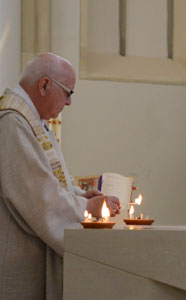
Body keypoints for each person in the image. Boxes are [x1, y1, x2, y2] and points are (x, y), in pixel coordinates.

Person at [0, 53, 121, 299]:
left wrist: (78, 195)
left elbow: (47, 181)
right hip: (17, 260)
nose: (68, 103)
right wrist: (87, 206)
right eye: (68, 93)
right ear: (44, 85)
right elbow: (38, 197)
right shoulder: (13, 123)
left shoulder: (33, 121)